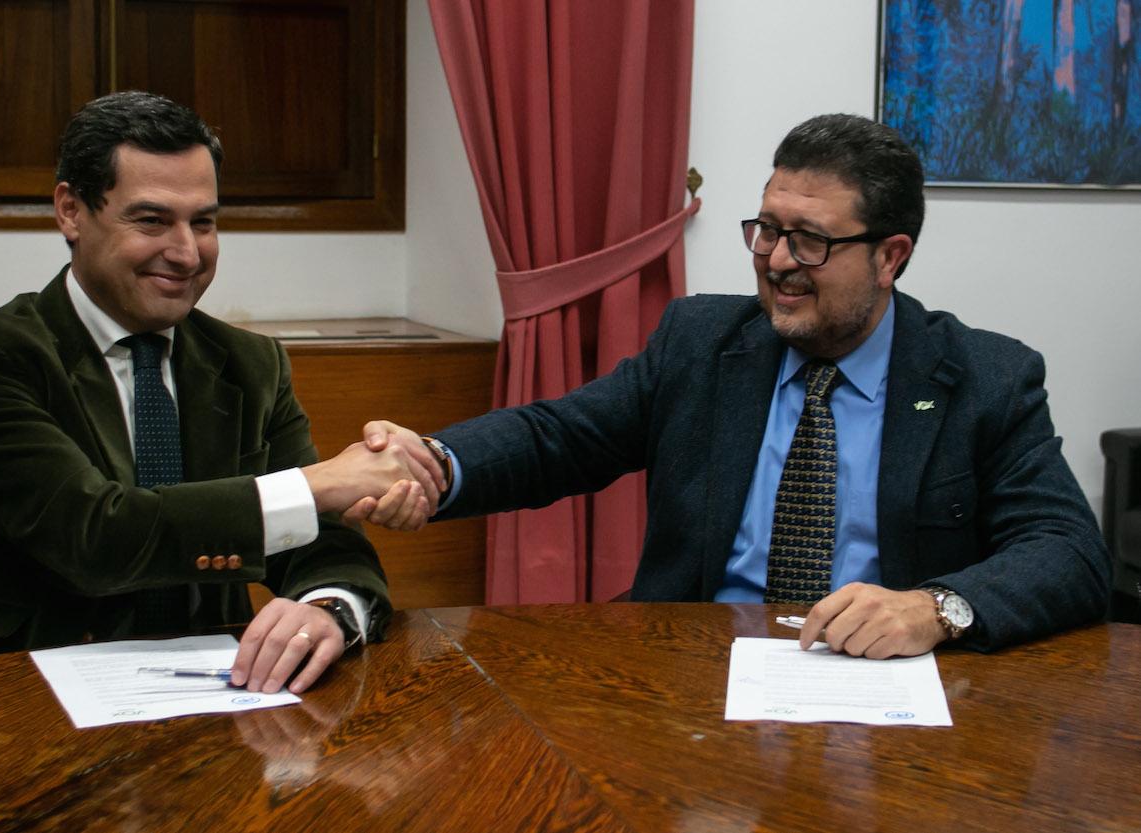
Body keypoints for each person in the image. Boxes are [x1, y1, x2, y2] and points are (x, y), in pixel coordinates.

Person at [365, 113, 1110, 658]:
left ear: (890, 257)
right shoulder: (701, 342)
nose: (776, 259)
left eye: (810, 240)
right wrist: (434, 463)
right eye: (765, 228)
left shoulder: (982, 377)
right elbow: (560, 436)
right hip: (692, 672)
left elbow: (1070, 552)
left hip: (887, 697)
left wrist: (936, 607)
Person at [0, 91, 442, 693]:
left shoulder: (251, 363)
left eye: (205, 222)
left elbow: (323, 546)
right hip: (7, 703)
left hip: (214, 694)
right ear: (71, 210)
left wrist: (325, 609)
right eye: (152, 220)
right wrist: (319, 483)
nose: (187, 253)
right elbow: (93, 536)